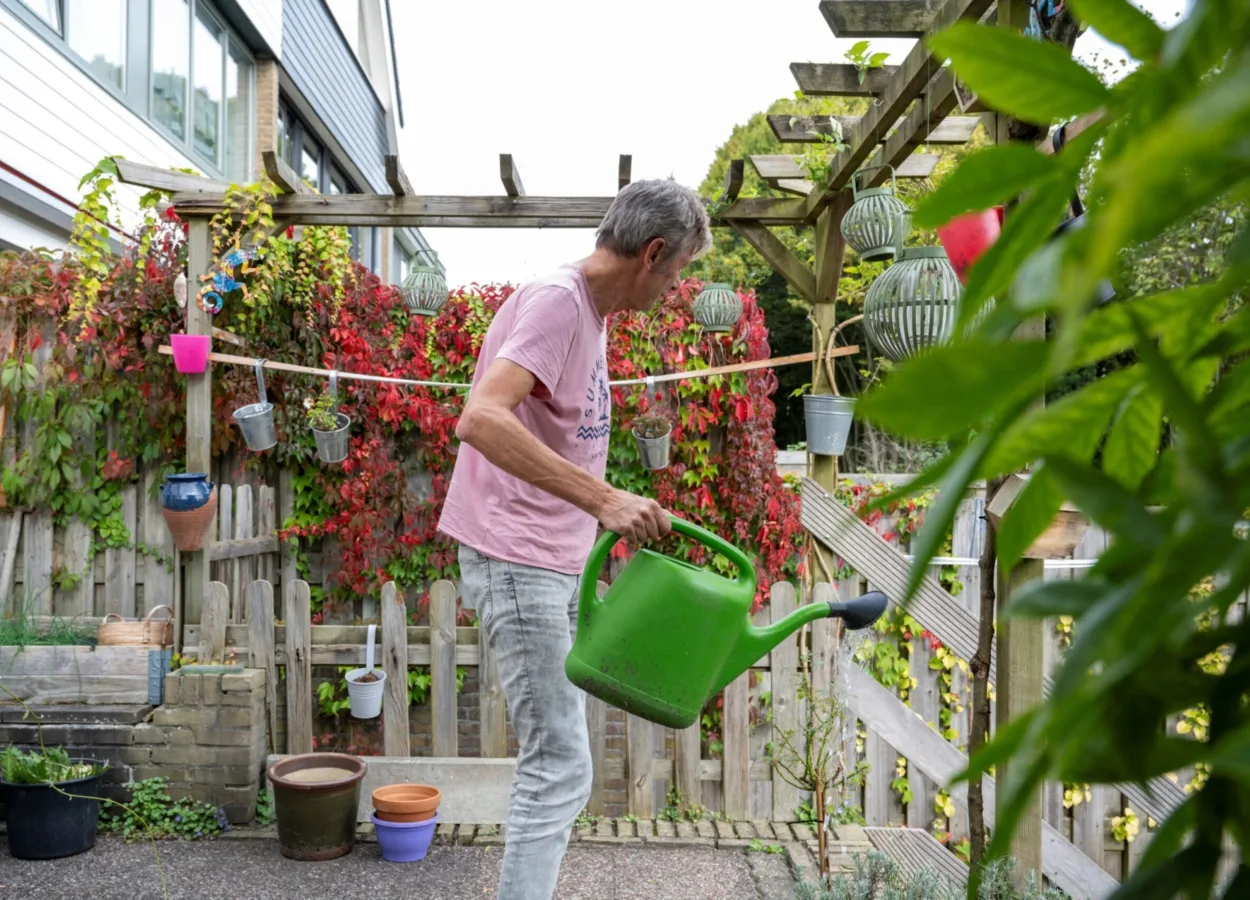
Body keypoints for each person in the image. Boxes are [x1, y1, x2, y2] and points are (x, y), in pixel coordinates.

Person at [437, 178, 712, 900]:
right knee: (558, 764)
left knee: (559, 762)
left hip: (548, 563)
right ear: (652, 253)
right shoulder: (560, 302)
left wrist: (602, 514)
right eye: (677, 271)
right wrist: (604, 498)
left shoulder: (588, 315)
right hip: (515, 556)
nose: (674, 288)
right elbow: (481, 418)